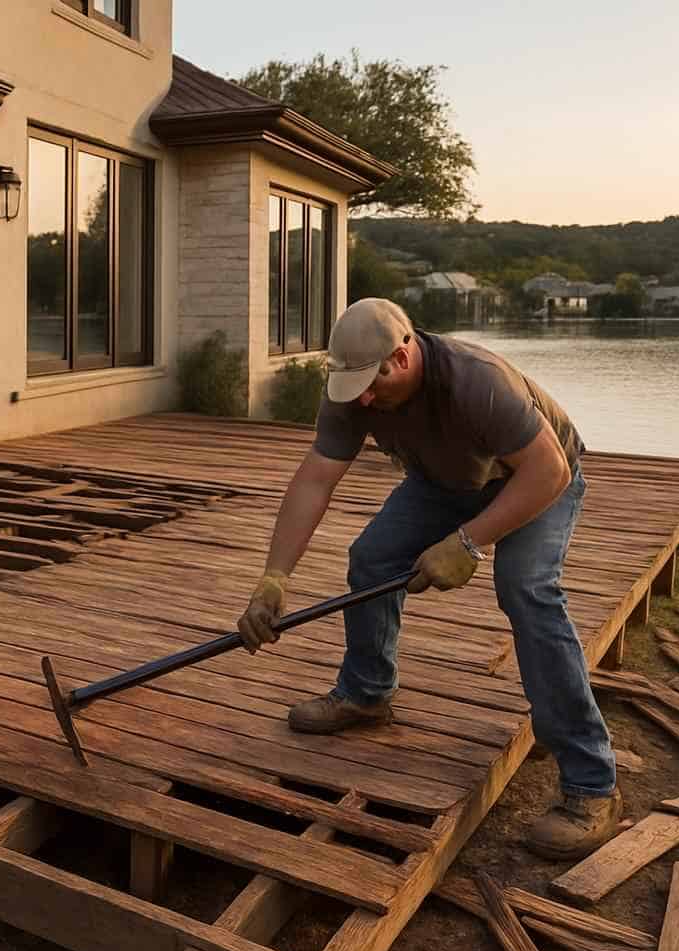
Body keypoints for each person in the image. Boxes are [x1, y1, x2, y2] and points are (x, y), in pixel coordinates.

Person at [235, 298, 620, 860]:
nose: (364, 398)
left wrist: (467, 543)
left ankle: (592, 784)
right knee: (372, 558)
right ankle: (367, 696)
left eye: (374, 382)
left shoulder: (475, 380)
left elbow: (549, 471)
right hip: (446, 482)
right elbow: (316, 478)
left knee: (526, 588)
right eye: (353, 386)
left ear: (404, 352)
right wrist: (274, 577)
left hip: (537, 476)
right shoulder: (352, 389)